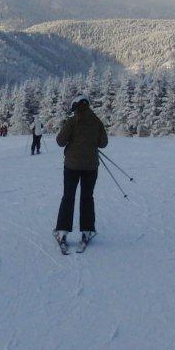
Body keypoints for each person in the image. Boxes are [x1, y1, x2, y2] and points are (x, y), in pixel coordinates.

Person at [54, 95, 108, 248]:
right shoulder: (96, 121)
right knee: (87, 197)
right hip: (91, 167)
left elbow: (60, 141)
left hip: (71, 166)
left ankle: (62, 231)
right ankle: (87, 230)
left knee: (68, 197)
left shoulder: (72, 121)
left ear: (75, 106)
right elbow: (103, 143)